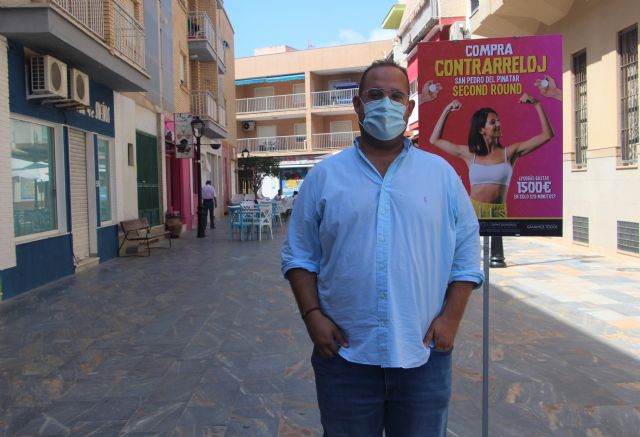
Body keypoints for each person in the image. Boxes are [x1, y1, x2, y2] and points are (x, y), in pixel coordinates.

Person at [281, 60, 484, 437]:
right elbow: (299, 256)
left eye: (396, 96)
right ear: (358, 105)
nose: (386, 103)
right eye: (375, 95)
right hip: (344, 357)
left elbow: (467, 249)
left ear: (409, 108)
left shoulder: (441, 175)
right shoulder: (324, 177)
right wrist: (312, 316)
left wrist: (451, 319)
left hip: (423, 356)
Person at [429, 94, 554, 218]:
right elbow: (434, 139)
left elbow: (547, 135)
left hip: (498, 213)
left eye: (498, 121)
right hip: (472, 211)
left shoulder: (510, 153)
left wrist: (537, 104)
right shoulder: (470, 154)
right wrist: (447, 110)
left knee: (499, 233)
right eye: (493, 122)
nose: (498, 124)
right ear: (481, 130)